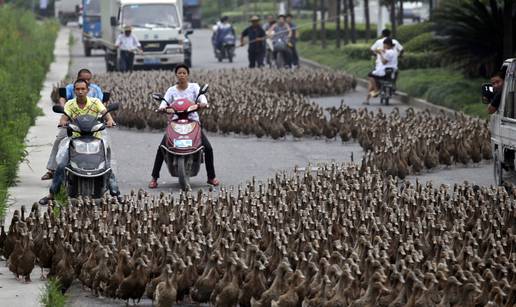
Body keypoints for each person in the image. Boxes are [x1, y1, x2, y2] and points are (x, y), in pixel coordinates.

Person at [38, 79, 118, 205]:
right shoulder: (70, 104)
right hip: (75, 138)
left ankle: (116, 193)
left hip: (96, 138)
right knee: (61, 165)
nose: (80, 92)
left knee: (106, 166)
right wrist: (62, 122)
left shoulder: (95, 102)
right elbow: (64, 117)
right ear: (74, 90)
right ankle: (51, 194)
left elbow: (105, 114)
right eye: (77, 89)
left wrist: (110, 121)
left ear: (87, 90)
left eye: (83, 89)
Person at [148, 64, 220, 188]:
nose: (181, 75)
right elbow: (164, 103)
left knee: (208, 148)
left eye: (184, 73)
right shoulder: (171, 90)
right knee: (162, 148)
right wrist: (162, 109)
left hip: (193, 122)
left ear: (188, 75)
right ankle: (154, 178)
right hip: (175, 122)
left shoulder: (194, 87)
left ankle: (211, 177)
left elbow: (202, 99)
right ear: (176, 75)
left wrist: (203, 104)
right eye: (179, 73)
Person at [41, 68, 103, 180]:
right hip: (73, 124)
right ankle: (52, 169)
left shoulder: (96, 90)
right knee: (60, 140)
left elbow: (103, 104)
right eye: (84, 79)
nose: (86, 82)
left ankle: (104, 171)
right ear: (78, 79)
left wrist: (106, 119)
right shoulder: (70, 88)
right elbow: (62, 99)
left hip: (92, 125)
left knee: (104, 144)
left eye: (88, 80)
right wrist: (64, 112)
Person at [364, 38, 398, 105]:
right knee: (373, 77)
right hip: (391, 71)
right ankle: (368, 98)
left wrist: (380, 54)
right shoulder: (393, 51)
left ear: (388, 45)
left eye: (384, 45)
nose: (384, 46)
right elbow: (385, 52)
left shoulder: (389, 52)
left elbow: (384, 62)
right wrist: (382, 51)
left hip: (385, 72)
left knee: (370, 75)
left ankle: (376, 90)